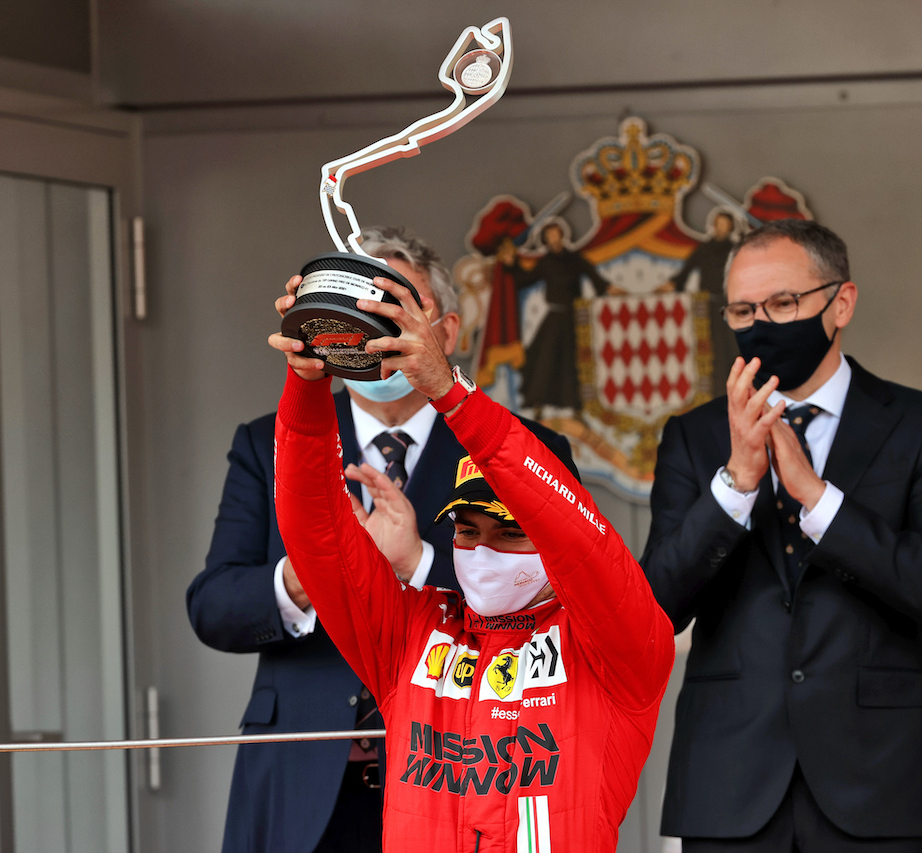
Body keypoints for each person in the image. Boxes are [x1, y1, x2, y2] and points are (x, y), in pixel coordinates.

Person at [186, 227, 575, 853]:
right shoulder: (267, 444)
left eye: (390, 314)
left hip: (463, 768)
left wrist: (418, 561)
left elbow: (561, 598)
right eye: (356, 317)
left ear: (445, 334)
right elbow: (213, 608)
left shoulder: (517, 448)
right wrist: (309, 576)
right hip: (303, 782)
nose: (370, 335)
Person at [266, 267, 674, 852]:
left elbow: (584, 546)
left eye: (508, 534)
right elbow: (317, 535)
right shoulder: (410, 631)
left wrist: (450, 393)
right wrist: (306, 384)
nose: (481, 550)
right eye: (466, 530)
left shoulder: (615, 643)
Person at [642, 218, 922, 852]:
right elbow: (656, 604)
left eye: (783, 303)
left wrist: (819, 502)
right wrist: (737, 482)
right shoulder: (694, 436)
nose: (760, 322)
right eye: (743, 309)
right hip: (731, 781)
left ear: (840, 302)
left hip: (881, 781)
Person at [519, 219, 617, 412]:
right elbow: (524, 280)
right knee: (544, 359)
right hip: (553, 317)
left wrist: (613, 290)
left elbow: (597, 279)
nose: (553, 239)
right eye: (549, 237)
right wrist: (509, 265)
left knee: (573, 361)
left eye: (555, 235)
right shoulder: (545, 262)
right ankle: (538, 404)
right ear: (546, 240)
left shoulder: (575, 259)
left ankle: (575, 406)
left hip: (573, 318)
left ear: (562, 235)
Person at [666, 209, 742, 396]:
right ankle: (717, 392)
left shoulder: (736, 250)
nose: (722, 229)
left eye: (726, 225)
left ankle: (739, 388)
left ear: (731, 227)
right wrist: (673, 284)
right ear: (714, 225)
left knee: (734, 347)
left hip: (732, 306)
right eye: (719, 224)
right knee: (712, 349)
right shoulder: (704, 249)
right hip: (709, 306)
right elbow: (685, 272)